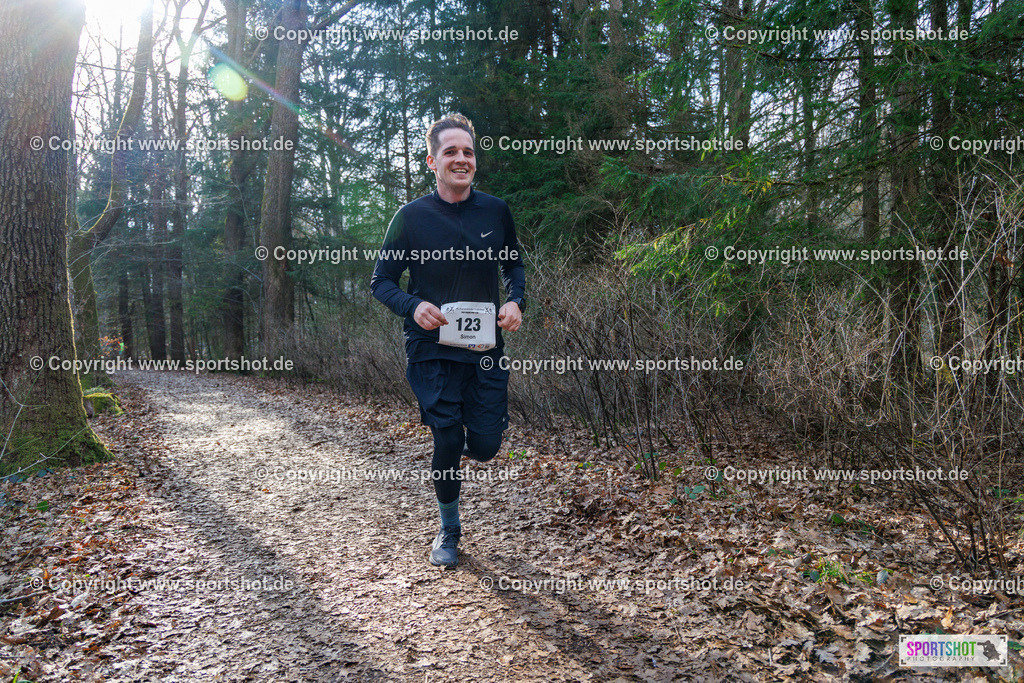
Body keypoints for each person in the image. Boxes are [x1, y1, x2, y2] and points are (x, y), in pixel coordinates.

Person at [370, 113, 526, 568]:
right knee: (444, 437)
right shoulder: (411, 217)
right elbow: (381, 281)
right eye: (451, 152)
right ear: (432, 161)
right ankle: (449, 528)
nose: (462, 159)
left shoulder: (495, 211)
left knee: (483, 446)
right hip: (431, 349)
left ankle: (466, 438)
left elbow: (513, 265)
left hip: (484, 349)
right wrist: (412, 306)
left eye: (468, 152)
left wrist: (516, 301)